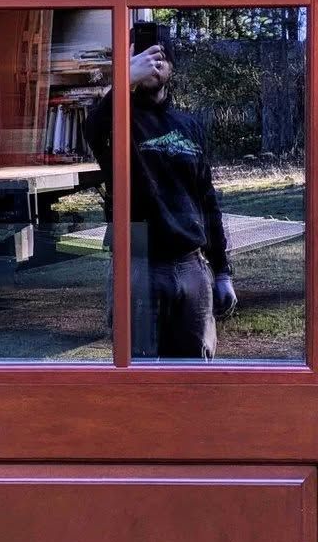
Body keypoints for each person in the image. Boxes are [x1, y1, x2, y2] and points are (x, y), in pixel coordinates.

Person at [84, 30, 237, 359]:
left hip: (190, 264)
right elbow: (93, 127)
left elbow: (207, 199)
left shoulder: (188, 125)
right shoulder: (117, 121)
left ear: (172, 67)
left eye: (160, 57)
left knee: (194, 370)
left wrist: (222, 271)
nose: (153, 65)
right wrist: (124, 79)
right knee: (137, 372)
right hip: (138, 265)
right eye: (143, 57)